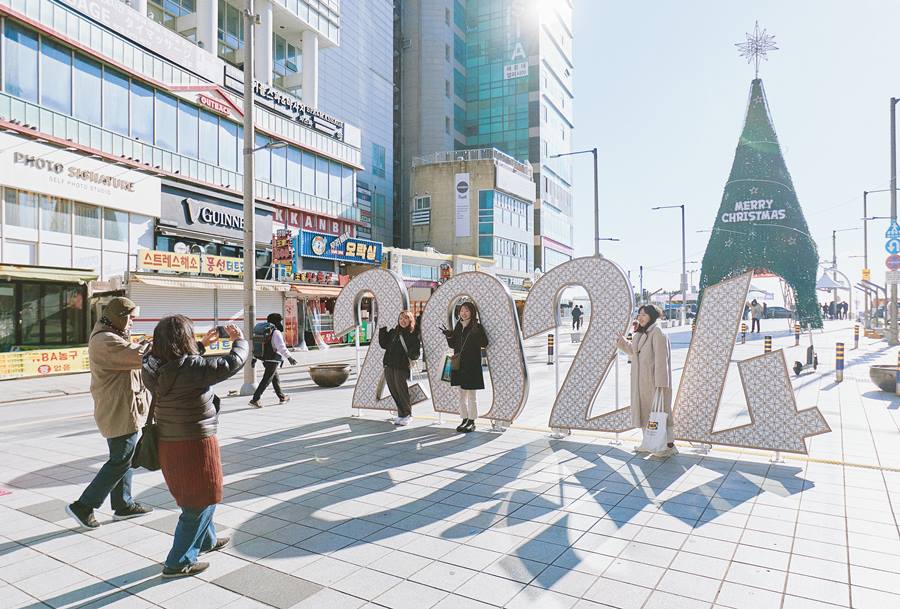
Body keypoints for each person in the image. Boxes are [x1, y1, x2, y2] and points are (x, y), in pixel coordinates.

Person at [142, 316, 248, 578]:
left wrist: (201, 345)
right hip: (195, 442)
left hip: (169, 441)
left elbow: (178, 368)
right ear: (184, 339)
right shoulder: (190, 368)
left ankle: (206, 541)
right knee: (202, 499)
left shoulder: (150, 364)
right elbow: (231, 363)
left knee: (195, 495)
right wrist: (240, 341)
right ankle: (178, 561)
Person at [66, 297, 154, 529]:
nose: (133, 323)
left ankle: (123, 504)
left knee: (125, 458)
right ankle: (83, 506)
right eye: (131, 318)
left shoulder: (113, 335)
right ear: (119, 317)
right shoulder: (106, 340)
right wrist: (153, 345)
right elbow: (139, 357)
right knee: (120, 460)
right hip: (118, 409)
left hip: (125, 407)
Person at [616, 304, 676, 458]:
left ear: (652, 316)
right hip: (640, 382)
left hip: (654, 382)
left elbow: (662, 359)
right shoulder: (641, 333)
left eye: (644, 314)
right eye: (639, 314)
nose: (640, 317)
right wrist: (623, 342)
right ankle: (648, 443)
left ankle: (666, 446)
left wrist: (661, 385)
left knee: (659, 414)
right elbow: (634, 352)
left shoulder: (657, 333)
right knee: (645, 413)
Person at [442, 302, 489, 433]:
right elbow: (453, 346)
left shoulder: (477, 326)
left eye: (467, 310)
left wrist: (476, 333)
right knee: (461, 395)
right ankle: (464, 419)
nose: (463, 313)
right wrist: (449, 336)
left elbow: (484, 343)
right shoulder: (458, 326)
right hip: (459, 365)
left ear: (472, 312)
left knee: (471, 396)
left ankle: (472, 421)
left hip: (472, 365)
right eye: (462, 310)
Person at [379, 310, 421, 426]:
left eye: (406, 318)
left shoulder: (412, 334)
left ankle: (407, 414)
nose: (403, 320)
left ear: (410, 320)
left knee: (401, 389)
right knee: (393, 390)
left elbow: (416, 351)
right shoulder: (394, 332)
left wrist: (413, 353)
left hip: (401, 366)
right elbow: (383, 344)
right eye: (401, 318)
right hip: (389, 364)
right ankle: (401, 414)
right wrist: (382, 330)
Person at [249, 313, 297, 408]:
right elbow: (281, 347)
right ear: (277, 321)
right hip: (273, 359)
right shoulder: (275, 332)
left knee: (275, 378)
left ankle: (282, 397)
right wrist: (289, 357)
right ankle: (255, 399)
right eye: (279, 321)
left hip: (264, 358)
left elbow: (254, 344)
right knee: (267, 379)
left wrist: (254, 358)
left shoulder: (263, 331)